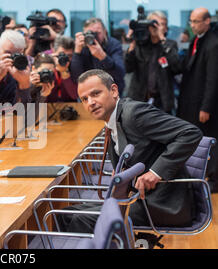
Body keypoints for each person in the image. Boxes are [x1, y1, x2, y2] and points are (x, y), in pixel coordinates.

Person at [57, 69, 202, 233]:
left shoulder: (133, 113)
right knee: (66, 214)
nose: (90, 102)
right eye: (84, 99)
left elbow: (190, 133)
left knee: (78, 219)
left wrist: (156, 172)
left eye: (96, 94)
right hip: (140, 197)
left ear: (113, 90)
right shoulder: (114, 119)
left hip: (165, 203)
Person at [178, 7, 218, 192]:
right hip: (191, 102)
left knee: (211, 142)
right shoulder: (196, 40)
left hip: (204, 105)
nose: (192, 25)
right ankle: (202, 175)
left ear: (207, 21)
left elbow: (213, 79)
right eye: (191, 21)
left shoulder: (213, 43)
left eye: (196, 21)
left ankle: (215, 179)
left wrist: (206, 107)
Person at [125, 11, 182, 114]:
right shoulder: (140, 43)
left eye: (162, 24)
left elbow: (177, 68)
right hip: (140, 98)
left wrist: (162, 41)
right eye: (155, 24)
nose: (157, 27)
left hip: (162, 101)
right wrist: (132, 44)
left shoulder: (170, 45)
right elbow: (128, 68)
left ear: (166, 28)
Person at [70, 18, 126, 95]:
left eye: (97, 33)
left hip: (111, 92)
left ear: (105, 32)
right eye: (89, 33)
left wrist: (103, 57)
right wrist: (77, 52)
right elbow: (76, 77)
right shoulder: (81, 46)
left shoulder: (113, 44)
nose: (94, 36)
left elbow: (120, 74)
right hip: (88, 92)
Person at [0, 30, 32, 107]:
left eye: (16, 55)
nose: (11, 58)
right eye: (7, 53)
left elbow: (22, 112)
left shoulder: (17, 73)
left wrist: (24, 85)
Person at [47, 36, 78, 102]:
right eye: (61, 54)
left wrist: (64, 72)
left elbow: (74, 95)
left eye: (69, 56)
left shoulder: (75, 64)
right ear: (53, 51)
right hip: (47, 107)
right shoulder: (45, 60)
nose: (65, 59)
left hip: (69, 107)